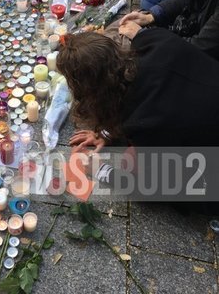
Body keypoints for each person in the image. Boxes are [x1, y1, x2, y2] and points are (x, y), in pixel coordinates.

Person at [57, 28, 219, 203]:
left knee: (131, 162)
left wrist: (101, 170)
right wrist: (107, 132)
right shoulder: (152, 40)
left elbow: (152, 188)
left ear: (91, 92)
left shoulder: (146, 124)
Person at [120, 0, 219, 61]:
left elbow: (198, 48)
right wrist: (151, 16)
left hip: (205, 56)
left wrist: (148, 36)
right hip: (196, 18)